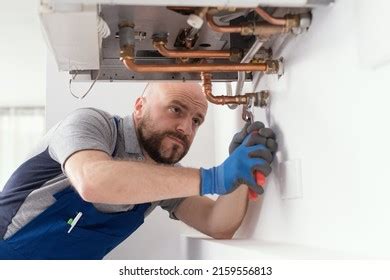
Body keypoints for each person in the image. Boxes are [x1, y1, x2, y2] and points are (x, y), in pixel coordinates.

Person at [0, 82, 277, 260]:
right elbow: (92, 181)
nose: (186, 128)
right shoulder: (93, 125)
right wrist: (214, 177)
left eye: (196, 120)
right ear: (139, 106)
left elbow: (216, 222)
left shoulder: (163, 176)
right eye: (175, 109)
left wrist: (240, 174)